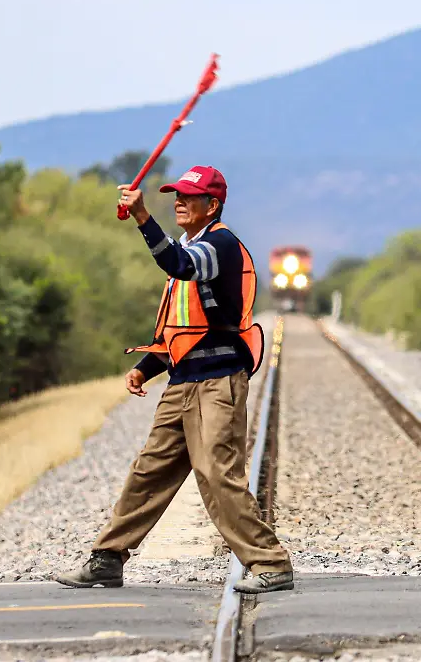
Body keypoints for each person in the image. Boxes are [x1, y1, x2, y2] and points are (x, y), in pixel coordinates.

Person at [55, 165, 294, 594]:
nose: (179, 201)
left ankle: (270, 564)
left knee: (217, 474)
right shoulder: (193, 243)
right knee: (148, 472)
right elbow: (177, 328)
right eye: (176, 194)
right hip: (183, 381)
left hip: (217, 381)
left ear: (213, 205)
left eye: (189, 196)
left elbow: (178, 264)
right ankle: (107, 560)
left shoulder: (218, 244)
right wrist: (145, 368)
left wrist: (143, 218)